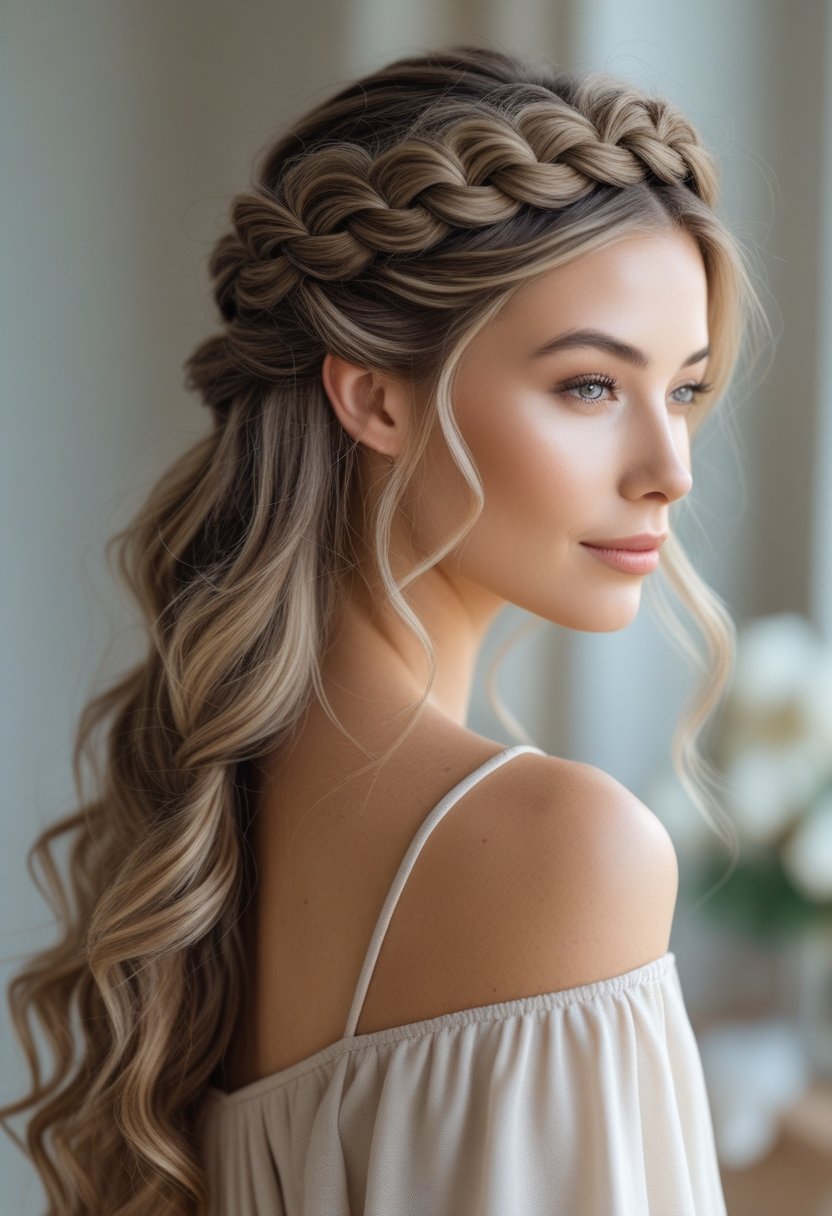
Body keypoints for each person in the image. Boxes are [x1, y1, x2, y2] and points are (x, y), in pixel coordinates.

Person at [1, 43, 768, 1216]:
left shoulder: (221, 823)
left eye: (682, 390)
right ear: (373, 396)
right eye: (589, 386)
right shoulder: (563, 849)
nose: (670, 469)